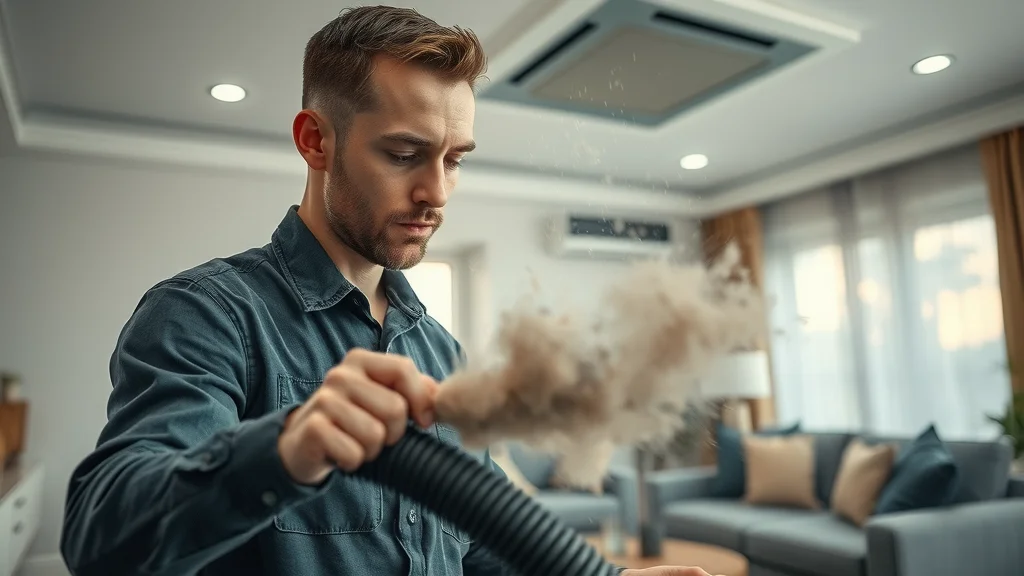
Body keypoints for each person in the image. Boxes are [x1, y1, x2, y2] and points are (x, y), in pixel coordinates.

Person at [60, 6, 720, 576]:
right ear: (315, 141)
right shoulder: (206, 316)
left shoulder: (439, 351)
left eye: (454, 158)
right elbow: (101, 539)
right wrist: (286, 451)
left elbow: (485, 546)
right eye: (404, 154)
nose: (437, 193)